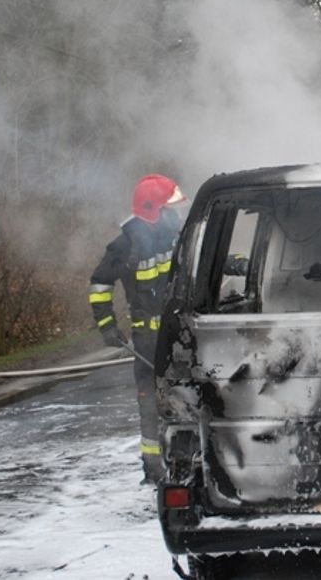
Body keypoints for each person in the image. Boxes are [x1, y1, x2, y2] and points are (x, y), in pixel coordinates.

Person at [88, 173, 187, 485]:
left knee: (187, 397)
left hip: (181, 335)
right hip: (147, 341)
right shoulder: (124, 246)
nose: (173, 214)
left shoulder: (178, 237)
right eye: (167, 208)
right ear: (152, 209)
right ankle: (154, 468)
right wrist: (107, 326)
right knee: (150, 405)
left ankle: (186, 461)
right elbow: (99, 284)